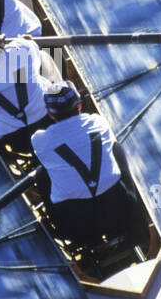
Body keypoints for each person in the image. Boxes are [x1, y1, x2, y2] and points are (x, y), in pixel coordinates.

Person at [31, 82, 147, 248]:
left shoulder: (39, 139)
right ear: (79, 105)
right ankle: (137, 219)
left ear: (50, 114)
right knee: (116, 148)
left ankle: (66, 230)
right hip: (119, 211)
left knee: (41, 173)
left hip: (76, 227)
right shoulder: (99, 122)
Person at [0, 21, 62, 159]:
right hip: (50, 121)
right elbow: (28, 47)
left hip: (17, 141)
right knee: (44, 56)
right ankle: (65, 98)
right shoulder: (23, 48)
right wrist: (22, 41)